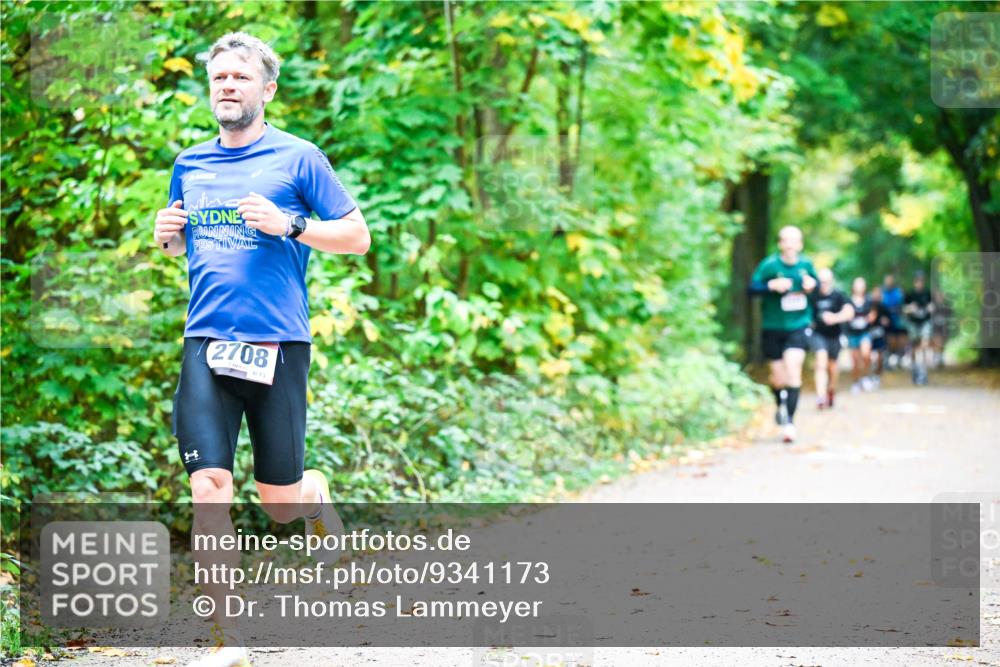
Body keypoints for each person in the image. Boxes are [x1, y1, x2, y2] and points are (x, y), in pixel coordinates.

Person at [154, 33, 370, 667]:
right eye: (219, 77)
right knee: (210, 486)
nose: (227, 86)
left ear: (267, 89)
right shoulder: (189, 163)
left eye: (240, 78)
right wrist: (166, 238)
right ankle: (226, 640)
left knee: (278, 505)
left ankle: (313, 494)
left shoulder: (300, 159)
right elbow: (183, 245)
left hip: (280, 343)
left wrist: (292, 225)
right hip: (206, 343)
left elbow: (357, 238)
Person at [748, 226, 818, 443]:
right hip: (773, 326)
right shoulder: (770, 265)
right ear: (780, 244)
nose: (789, 245)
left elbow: (817, 291)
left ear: (800, 244)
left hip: (798, 325)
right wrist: (771, 286)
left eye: (794, 241)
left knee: (793, 369)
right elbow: (751, 289)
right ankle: (780, 404)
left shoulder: (806, 265)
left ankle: (790, 423)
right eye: (785, 241)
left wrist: (811, 286)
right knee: (777, 378)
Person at [809, 268, 853, 409]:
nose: (823, 284)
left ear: (831, 281)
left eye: (826, 282)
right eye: (821, 282)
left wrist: (835, 318)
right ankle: (820, 396)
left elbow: (849, 312)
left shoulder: (839, 295)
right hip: (818, 334)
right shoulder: (813, 296)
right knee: (821, 361)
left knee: (833, 368)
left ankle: (830, 391)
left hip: (834, 335)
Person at [845, 277, 875, 393]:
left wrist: (869, 318)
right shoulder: (848, 301)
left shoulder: (868, 300)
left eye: (861, 285)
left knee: (866, 355)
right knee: (855, 361)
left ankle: (865, 377)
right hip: (852, 333)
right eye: (857, 284)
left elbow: (873, 313)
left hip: (864, 332)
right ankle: (856, 382)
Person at [904, 273, 934, 385]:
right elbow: (904, 309)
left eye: (921, 281)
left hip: (925, 322)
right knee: (915, 348)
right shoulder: (910, 294)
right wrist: (910, 308)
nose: (919, 283)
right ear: (914, 282)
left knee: (924, 345)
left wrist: (931, 308)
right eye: (917, 281)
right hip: (913, 324)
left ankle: (923, 372)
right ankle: (916, 369)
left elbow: (933, 306)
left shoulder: (927, 293)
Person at [868, 286, 893, 388]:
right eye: (875, 293)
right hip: (869, 334)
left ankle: (877, 376)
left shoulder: (884, 307)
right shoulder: (868, 305)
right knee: (869, 356)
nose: (877, 295)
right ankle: (869, 375)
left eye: (879, 293)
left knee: (879, 356)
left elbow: (889, 321)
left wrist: (886, 321)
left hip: (880, 334)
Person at [881, 273, 906, 369]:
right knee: (889, 341)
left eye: (890, 281)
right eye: (887, 281)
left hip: (898, 321)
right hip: (886, 322)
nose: (889, 283)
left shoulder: (898, 292)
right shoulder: (882, 293)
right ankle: (887, 359)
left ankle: (898, 358)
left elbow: (902, 306)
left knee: (900, 341)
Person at [931, 289, 952, 369]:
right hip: (935, 328)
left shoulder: (947, 306)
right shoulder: (932, 306)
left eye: (941, 296)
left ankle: (940, 358)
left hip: (944, 328)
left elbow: (950, 316)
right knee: (937, 342)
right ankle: (937, 359)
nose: (939, 297)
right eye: (938, 296)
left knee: (943, 344)